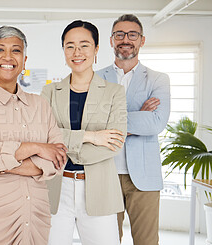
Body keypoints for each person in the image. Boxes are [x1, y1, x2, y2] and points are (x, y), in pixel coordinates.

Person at [0, 26, 67, 245]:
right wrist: (37, 148)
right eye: (0, 49)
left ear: (24, 60)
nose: (8, 57)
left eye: (15, 50)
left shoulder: (40, 104)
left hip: (35, 213)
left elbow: (58, 160)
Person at [41, 20, 127, 245]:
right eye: (70, 46)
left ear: (96, 49)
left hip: (99, 188)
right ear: (63, 51)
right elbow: (41, 137)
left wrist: (64, 146)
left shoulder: (114, 92)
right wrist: (92, 137)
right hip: (56, 188)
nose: (76, 52)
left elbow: (114, 144)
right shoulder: (49, 92)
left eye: (84, 45)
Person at [97, 14, 171, 245]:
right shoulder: (95, 79)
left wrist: (112, 121)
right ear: (111, 40)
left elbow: (156, 123)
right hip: (104, 174)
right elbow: (91, 124)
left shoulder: (158, 79)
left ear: (142, 40)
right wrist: (140, 114)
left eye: (132, 35)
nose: (125, 39)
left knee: (146, 242)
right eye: (119, 34)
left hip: (145, 178)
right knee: (105, 241)